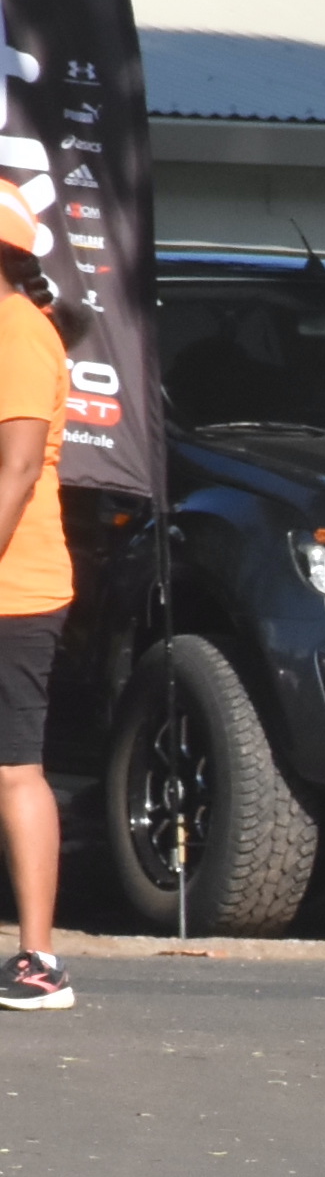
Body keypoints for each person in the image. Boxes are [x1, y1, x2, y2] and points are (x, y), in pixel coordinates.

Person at [0, 191, 77, 1014]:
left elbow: (17, 469)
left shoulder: (18, 332)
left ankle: (40, 961)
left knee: (14, 767)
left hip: (12, 592)